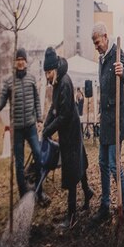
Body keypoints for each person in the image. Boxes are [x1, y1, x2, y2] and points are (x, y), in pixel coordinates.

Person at [42, 51, 94, 229]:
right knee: (80, 162)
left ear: (55, 69)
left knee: (72, 172)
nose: (47, 76)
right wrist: (46, 125)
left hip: (70, 133)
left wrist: (48, 130)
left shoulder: (64, 83)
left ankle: (71, 217)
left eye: (48, 72)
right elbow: (53, 107)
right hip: (70, 132)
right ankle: (87, 192)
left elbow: (63, 116)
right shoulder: (57, 82)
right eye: (45, 73)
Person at [0, 47, 44, 203]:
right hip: (17, 128)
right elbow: (2, 98)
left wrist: (39, 119)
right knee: (19, 163)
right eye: (18, 59)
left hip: (31, 127)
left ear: (26, 62)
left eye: (23, 59)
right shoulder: (8, 81)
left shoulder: (32, 79)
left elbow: (36, 101)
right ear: (15, 62)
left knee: (39, 156)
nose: (20, 62)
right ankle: (23, 194)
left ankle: (40, 192)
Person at [91, 22, 124, 223]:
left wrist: (121, 71)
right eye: (94, 43)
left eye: (97, 42)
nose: (96, 46)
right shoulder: (101, 59)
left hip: (116, 121)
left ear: (105, 37)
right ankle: (105, 206)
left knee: (114, 165)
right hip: (105, 122)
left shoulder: (116, 53)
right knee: (102, 163)